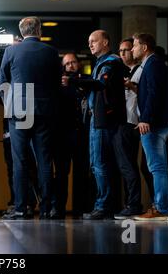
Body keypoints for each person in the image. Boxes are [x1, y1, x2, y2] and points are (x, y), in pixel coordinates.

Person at [0, 16, 61, 219]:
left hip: (19, 111)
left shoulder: (11, 51)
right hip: (44, 111)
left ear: (22, 31)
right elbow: (56, 85)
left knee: (20, 161)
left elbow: (2, 83)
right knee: (45, 161)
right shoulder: (51, 53)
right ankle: (46, 209)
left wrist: (10, 104)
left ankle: (21, 208)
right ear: (39, 30)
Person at [62, 30, 126, 220]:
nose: (90, 45)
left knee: (100, 164)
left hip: (103, 121)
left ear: (105, 42)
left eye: (94, 41)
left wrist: (73, 80)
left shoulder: (111, 62)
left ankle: (103, 205)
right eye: (89, 42)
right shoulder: (100, 62)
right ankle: (103, 204)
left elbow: (100, 84)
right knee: (96, 164)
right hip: (95, 120)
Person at [132, 33, 168, 221]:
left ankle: (162, 209)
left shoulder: (153, 63)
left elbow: (154, 93)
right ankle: (161, 207)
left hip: (153, 124)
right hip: (156, 122)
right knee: (158, 166)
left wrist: (146, 118)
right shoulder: (152, 64)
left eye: (134, 45)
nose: (132, 49)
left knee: (157, 167)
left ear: (144, 47)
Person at [52, 53, 91, 219]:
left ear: (79, 63)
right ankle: (58, 209)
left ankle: (80, 209)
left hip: (83, 133)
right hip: (62, 135)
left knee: (82, 173)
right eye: (67, 63)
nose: (70, 66)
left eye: (73, 62)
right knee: (61, 173)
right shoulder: (58, 84)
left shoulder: (87, 80)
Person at [112, 38, 145, 219]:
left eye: (126, 50)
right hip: (121, 121)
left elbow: (146, 95)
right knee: (125, 166)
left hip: (130, 122)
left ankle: (134, 204)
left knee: (128, 166)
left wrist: (130, 86)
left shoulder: (141, 71)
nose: (123, 53)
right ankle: (130, 204)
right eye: (121, 50)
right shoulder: (123, 71)